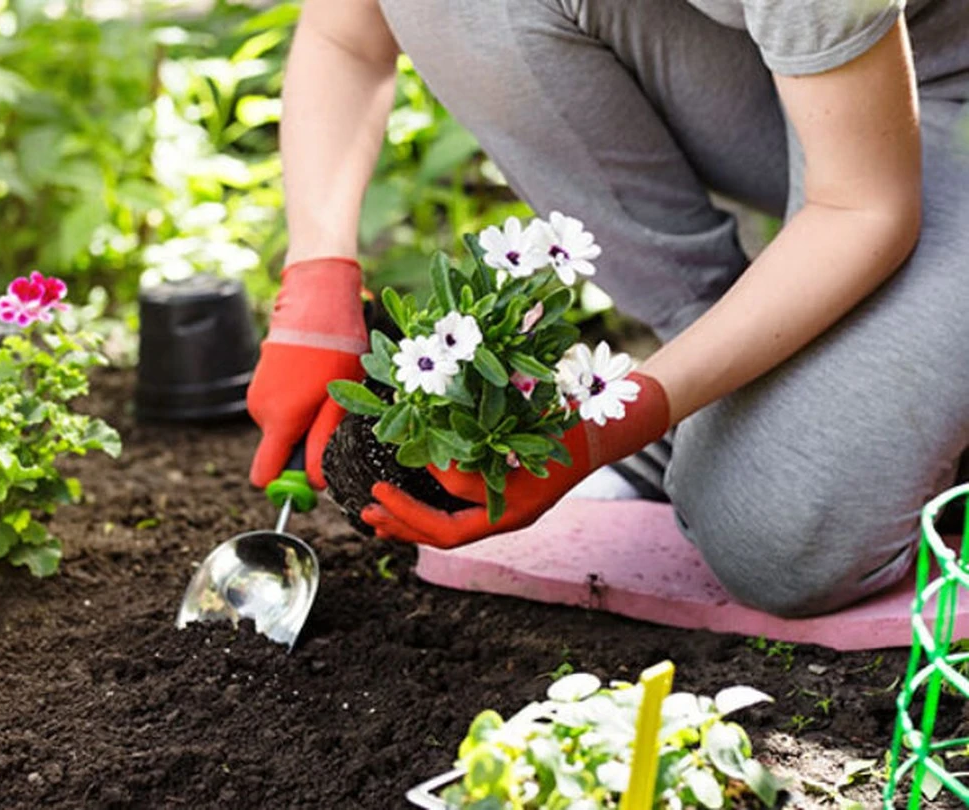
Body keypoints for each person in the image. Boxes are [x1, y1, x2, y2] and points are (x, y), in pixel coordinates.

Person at [245, 0, 969, 617]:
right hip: (809, 84)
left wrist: (608, 428)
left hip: (941, 100)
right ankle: (722, 389)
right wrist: (315, 279)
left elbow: (862, 207)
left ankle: (768, 415)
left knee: (775, 539)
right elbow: (348, 32)